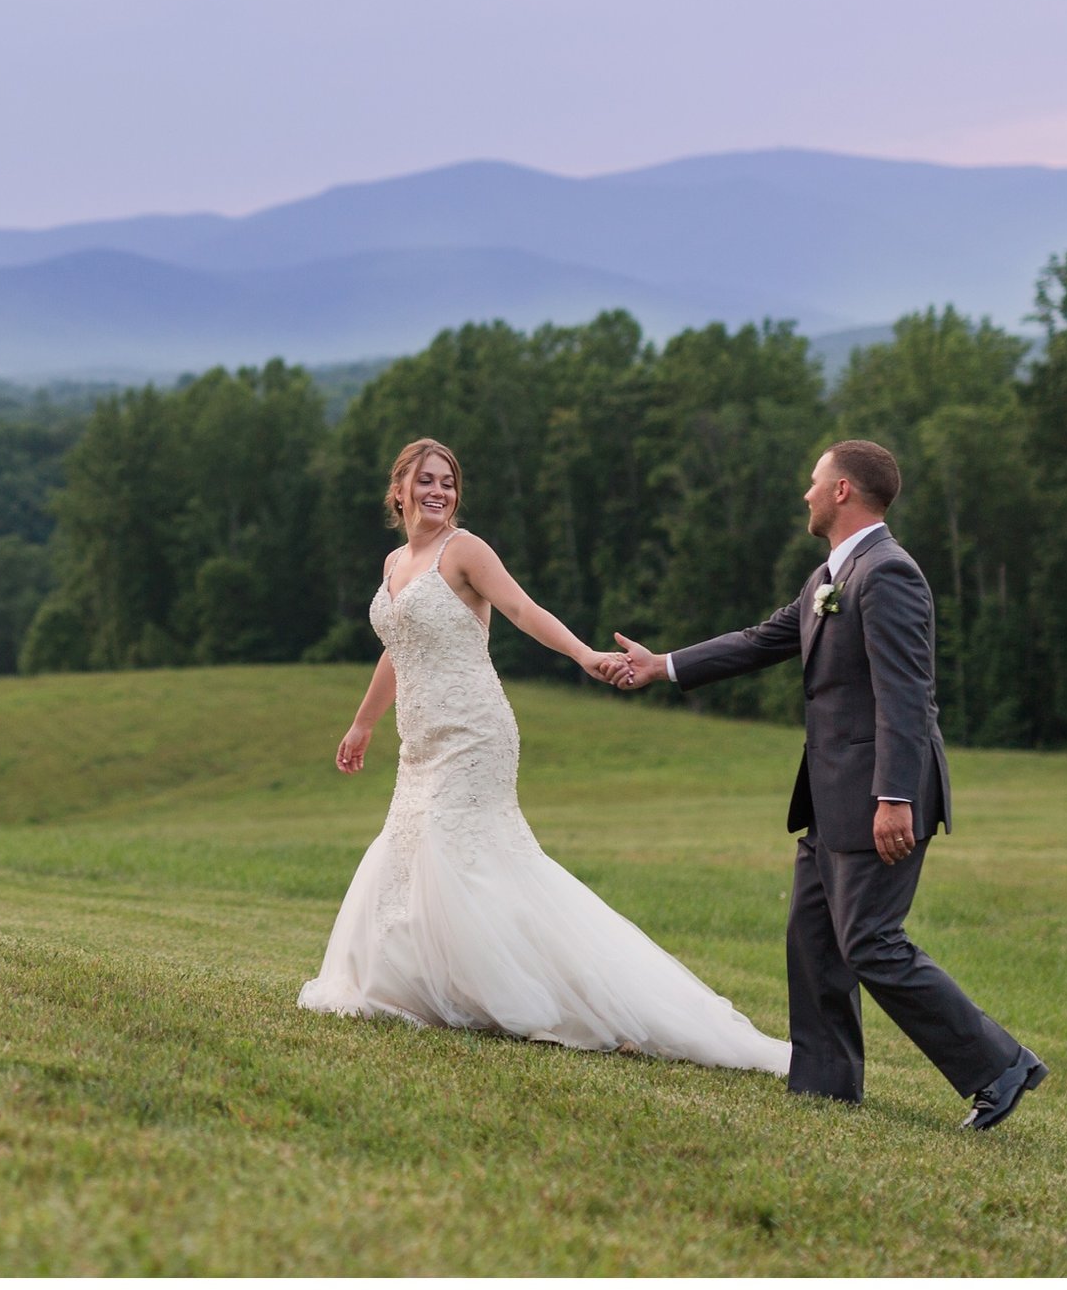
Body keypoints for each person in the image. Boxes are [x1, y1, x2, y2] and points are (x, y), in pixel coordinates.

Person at [297, 437, 791, 1074]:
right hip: (419, 742)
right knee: (412, 851)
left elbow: (524, 610)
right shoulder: (396, 562)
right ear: (399, 490)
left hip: (475, 731)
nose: (438, 491)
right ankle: (422, 985)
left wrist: (586, 655)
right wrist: (364, 723)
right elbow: (398, 645)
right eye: (426, 480)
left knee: (457, 853)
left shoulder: (465, 550)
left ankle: (529, 993)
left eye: (448, 481)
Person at [611, 438, 1046, 1129]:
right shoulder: (829, 578)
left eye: (814, 482)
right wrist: (661, 665)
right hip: (830, 792)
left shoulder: (888, 573)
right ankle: (825, 1086)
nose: (806, 494)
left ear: (843, 490)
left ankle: (1001, 1067)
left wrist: (896, 796)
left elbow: (907, 694)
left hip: (879, 793)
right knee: (814, 940)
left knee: (872, 941)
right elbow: (761, 641)